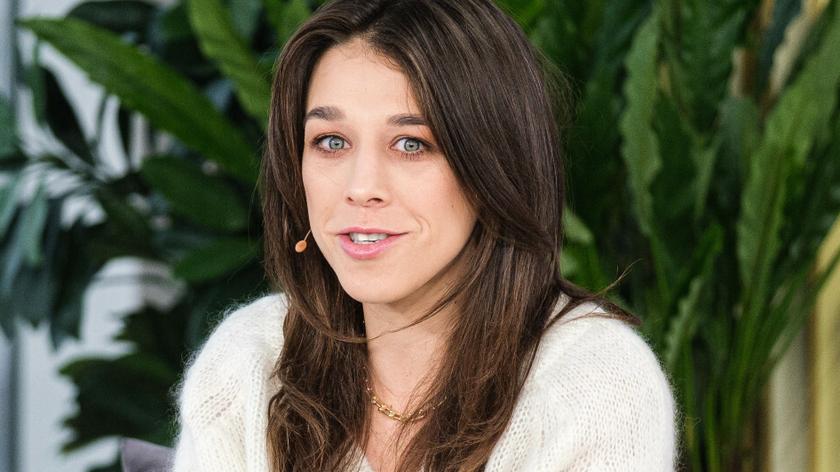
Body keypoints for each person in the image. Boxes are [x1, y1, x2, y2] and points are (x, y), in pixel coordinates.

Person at [171, 0, 679, 470]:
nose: (361, 188)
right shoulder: (249, 361)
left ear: (493, 168)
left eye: (411, 144)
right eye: (331, 141)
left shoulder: (594, 382)